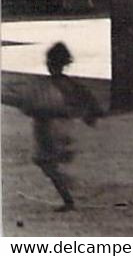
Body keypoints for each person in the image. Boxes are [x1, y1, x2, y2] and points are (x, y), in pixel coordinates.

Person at [16, 43, 103, 211]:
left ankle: (68, 194)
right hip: (61, 127)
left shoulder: (44, 85)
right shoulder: (70, 85)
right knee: (50, 161)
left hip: (47, 128)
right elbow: (88, 100)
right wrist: (90, 115)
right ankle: (67, 191)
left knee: (45, 161)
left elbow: (28, 106)